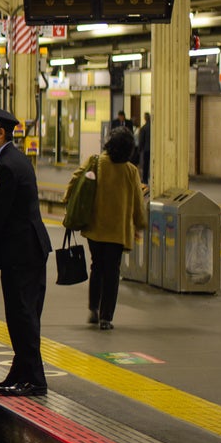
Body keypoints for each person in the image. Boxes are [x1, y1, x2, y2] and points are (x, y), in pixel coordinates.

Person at [0, 109, 51, 396]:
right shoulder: (12, 160)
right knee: (20, 315)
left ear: (0, 133)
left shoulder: (7, 166)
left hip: (23, 252)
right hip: (26, 251)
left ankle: (34, 379)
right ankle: (20, 372)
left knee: (23, 315)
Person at [82, 128, 149, 329]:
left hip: (95, 229)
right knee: (112, 272)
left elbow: (76, 184)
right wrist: (140, 224)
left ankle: (93, 308)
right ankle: (106, 318)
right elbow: (138, 202)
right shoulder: (130, 171)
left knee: (97, 266)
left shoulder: (96, 162)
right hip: (117, 232)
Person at [135, 114, 151, 191]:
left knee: (145, 164)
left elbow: (141, 140)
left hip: (146, 149)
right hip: (152, 149)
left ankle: (145, 179)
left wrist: (139, 150)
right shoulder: (153, 127)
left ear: (145, 118)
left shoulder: (144, 128)